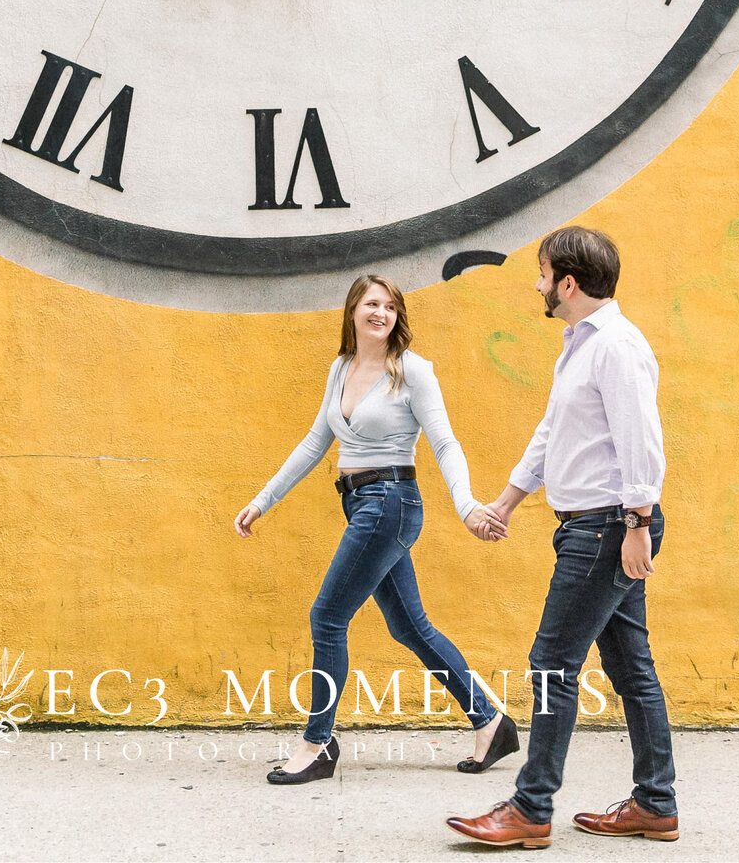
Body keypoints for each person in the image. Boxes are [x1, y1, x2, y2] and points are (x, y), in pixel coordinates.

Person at [235, 274, 520, 785]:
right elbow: (314, 443)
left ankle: (317, 743)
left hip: (389, 503)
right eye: (372, 303)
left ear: (397, 317)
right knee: (409, 626)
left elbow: (446, 444)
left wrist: (467, 506)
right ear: (353, 310)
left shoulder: (411, 370)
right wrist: (263, 500)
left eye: (390, 306)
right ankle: (491, 721)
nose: (381, 313)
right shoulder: (341, 368)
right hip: (360, 504)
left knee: (327, 617)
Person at [448, 226, 677, 847]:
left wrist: (636, 524)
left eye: (543, 274)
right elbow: (552, 434)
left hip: (607, 526)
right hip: (594, 524)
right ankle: (656, 804)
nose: (539, 285)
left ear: (568, 283)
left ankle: (530, 807)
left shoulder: (618, 347)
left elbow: (641, 442)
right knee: (632, 667)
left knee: (552, 663)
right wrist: (507, 502)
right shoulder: (578, 347)